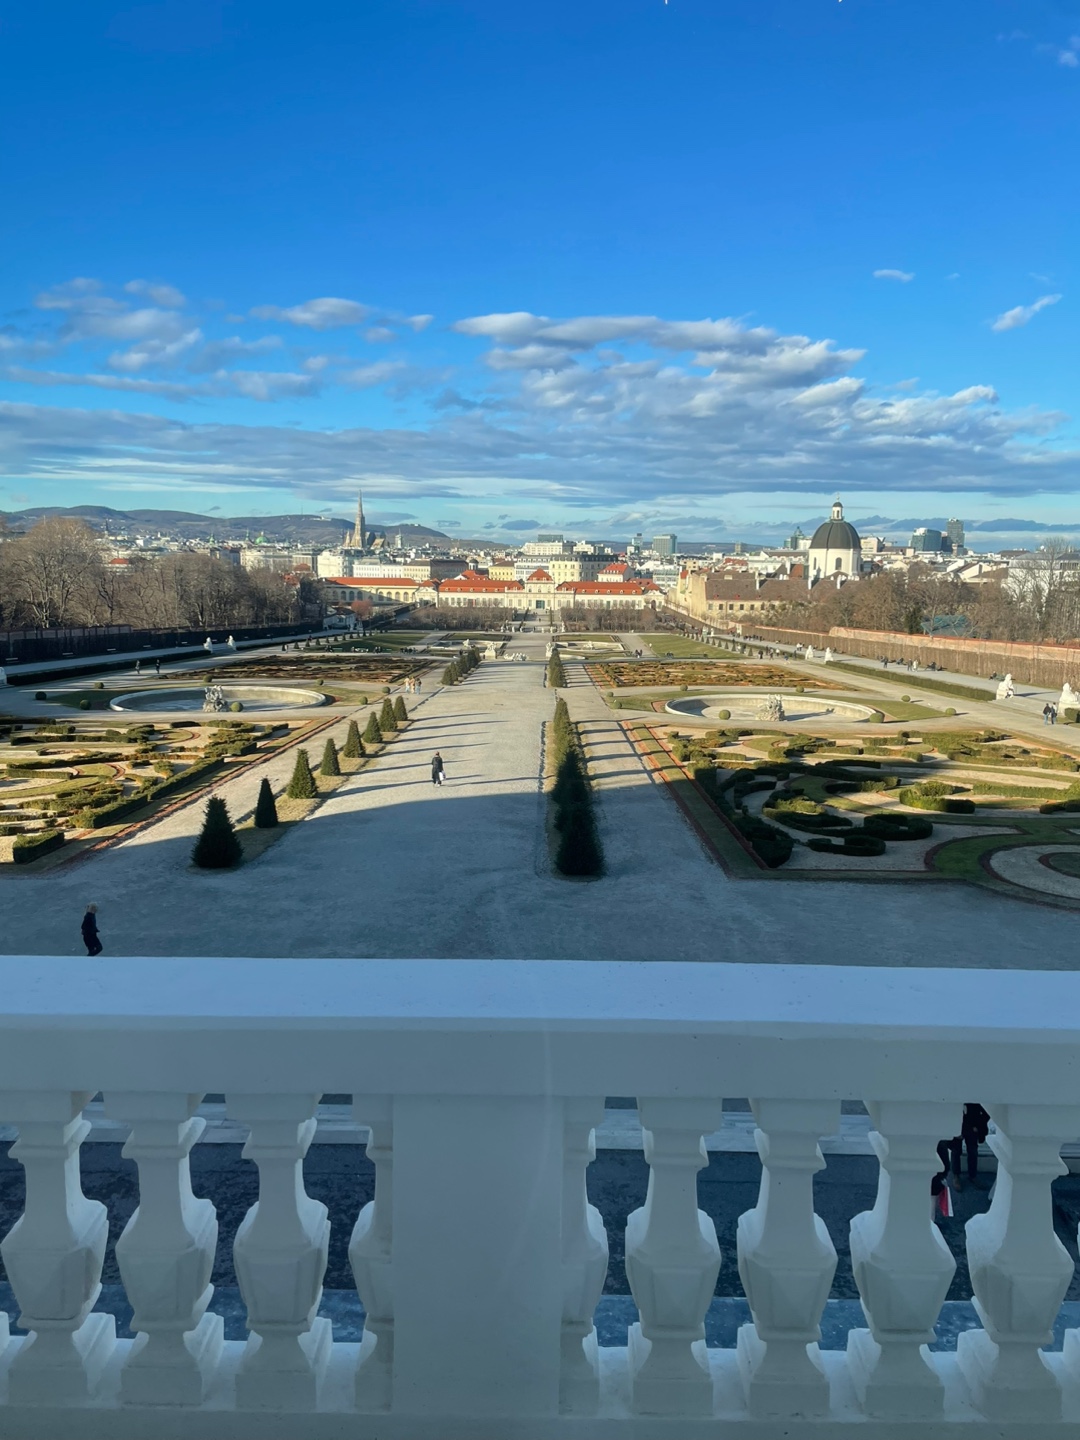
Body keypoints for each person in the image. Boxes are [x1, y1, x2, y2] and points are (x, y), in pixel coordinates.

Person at [947, 1103, 990, 1191]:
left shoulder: (976, 1098)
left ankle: (973, 1175)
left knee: (973, 1152)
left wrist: (978, 1126)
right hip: (958, 1125)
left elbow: (987, 1112)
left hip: (972, 1126)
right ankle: (956, 1176)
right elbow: (950, 1110)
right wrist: (955, 1128)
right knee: (956, 1151)